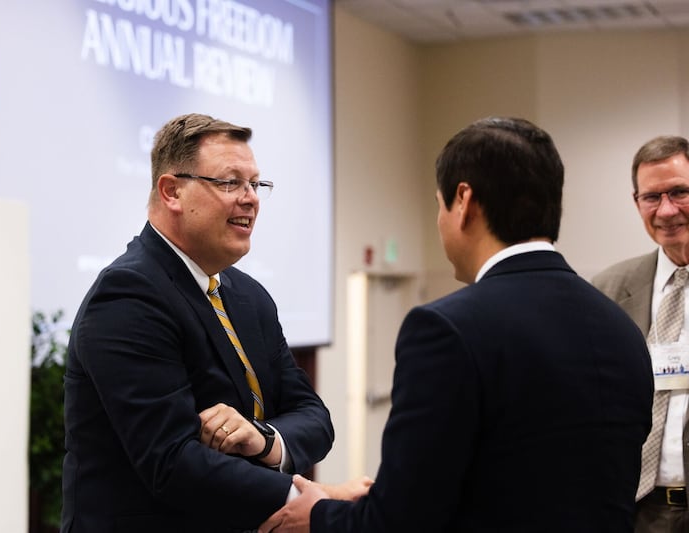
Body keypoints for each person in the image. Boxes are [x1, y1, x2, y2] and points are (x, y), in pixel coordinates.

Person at [260, 117, 654, 532]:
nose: (440, 220)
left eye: (439, 204)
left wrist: (319, 514)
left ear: (463, 200)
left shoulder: (446, 329)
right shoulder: (622, 327)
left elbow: (401, 521)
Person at [60, 113, 342, 532]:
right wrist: (310, 503)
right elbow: (172, 460)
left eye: (256, 184)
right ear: (172, 191)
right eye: (230, 182)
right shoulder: (128, 294)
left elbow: (314, 417)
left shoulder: (250, 297)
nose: (251, 199)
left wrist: (263, 438)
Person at [593, 135, 689, 532]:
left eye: (679, 192)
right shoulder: (608, 290)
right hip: (637, 511)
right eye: (651, 197)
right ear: (637, 203)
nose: (666, 210)